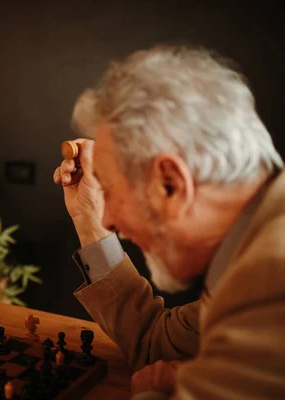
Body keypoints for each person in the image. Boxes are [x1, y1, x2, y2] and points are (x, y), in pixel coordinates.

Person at [55, 45, 285, 399]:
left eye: (112, 192)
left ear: (170, 184)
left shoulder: (271, 278)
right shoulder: (251, 245)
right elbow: (155, 342)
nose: (109, 218)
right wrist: (87, 216)